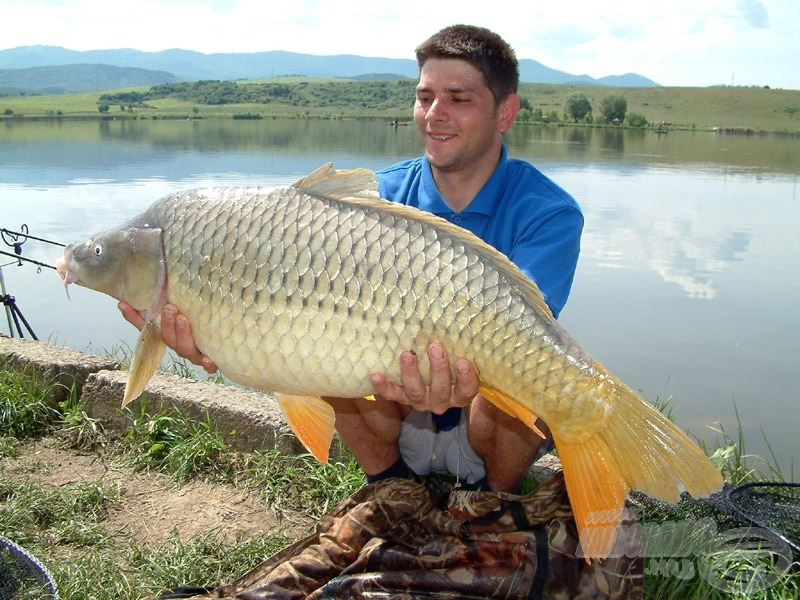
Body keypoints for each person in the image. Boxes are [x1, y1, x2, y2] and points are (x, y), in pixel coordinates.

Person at [120, 24, 583, 495]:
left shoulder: (550, 213)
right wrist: (217, 331)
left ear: (505, 112)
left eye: (458, 99)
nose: (435, 115)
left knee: (533, 374)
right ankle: (391, 491)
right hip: (398, 416)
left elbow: (523, 329)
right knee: (325, 349)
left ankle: (496, 503)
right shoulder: (372, 201)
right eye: (425, 97)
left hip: (481, 423)